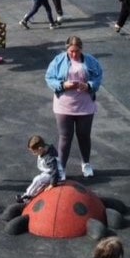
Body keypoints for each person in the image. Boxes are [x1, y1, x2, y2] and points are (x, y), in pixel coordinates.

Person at [45, 35, 103, 178]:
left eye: (76, 51)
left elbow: (98, 76)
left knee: (84, 136)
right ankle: (62, 168)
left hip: (85, 105)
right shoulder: (58, 60)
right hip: (64, 105)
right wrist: (63, 85)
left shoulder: (90, 61)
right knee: (65, 137)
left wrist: (89, 85)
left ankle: (86, 164)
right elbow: (49, 78)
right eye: (71, 51)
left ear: (81, 49)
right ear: (67, 49)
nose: (73, 54)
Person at [17, 134, 61, 203]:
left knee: (38, 180)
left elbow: (54, 171)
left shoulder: (49, 158)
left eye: (34, 152)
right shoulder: (44, 148)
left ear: (40, 149)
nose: (33, 154)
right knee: (40, 182)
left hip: (53, 175)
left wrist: (52, 184)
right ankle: (33, 194)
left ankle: (27, 196)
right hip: (48, 171)